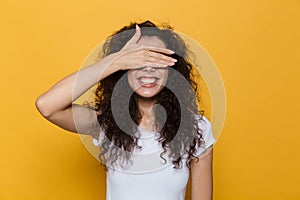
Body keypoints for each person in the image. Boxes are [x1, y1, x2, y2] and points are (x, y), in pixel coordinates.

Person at [36, 20, 216, 200]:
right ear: (124, 70)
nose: (148, 70)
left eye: (157, 60)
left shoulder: (197, 129)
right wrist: (114, 61)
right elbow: (47, 106)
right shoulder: (106, 125)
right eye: (138, 61)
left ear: (171, 70)